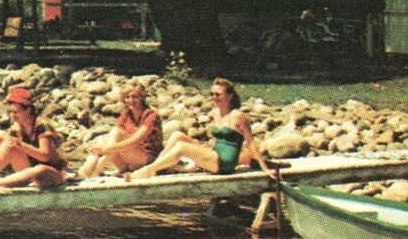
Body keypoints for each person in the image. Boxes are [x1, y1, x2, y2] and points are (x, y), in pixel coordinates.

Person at [129, 77, 279, 180]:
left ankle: (147, 171)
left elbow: (251, 143)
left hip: (224, 163)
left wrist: (264, 168)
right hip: (214, 156)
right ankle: (158, 167)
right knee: (177, 135)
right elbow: (216, 141)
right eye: (212, 94)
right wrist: (202, 159)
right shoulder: (216, 113)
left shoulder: (238, 116)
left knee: (182, 147)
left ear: (230, 96)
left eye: (218, 94)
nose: (214, 97)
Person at [0, 86, 69, 192]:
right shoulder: (16, 128)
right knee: (8, 143)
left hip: (51, 174)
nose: (12, 116)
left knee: (40, 169)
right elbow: (8, 159)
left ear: (28, 109)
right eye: (10, 112)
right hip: (27, 174)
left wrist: (21, 145)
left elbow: (45, 156)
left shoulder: (41, 125)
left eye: (15, 112)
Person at [79, 82, 163, 178]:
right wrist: (101, 149)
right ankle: (87, 169)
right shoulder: (126, 114)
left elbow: (135, 141)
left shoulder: (151, 115)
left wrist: (105, 150)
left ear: (142, 98)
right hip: (128, 162)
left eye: (135, 97)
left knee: (116, 135)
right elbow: (113, 137)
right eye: (127, 97)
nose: (130, 100)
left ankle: (93, 170)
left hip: (148, 159)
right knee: (105, 138)